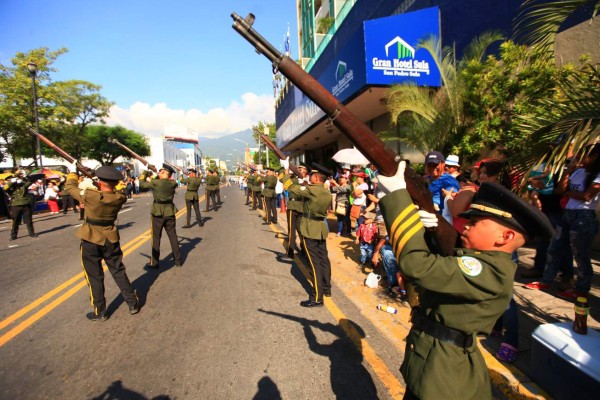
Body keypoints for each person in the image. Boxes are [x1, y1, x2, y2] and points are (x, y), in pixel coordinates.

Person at [376, 161, 553, 400]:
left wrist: (398, 199)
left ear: (506, 236)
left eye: (476, 221)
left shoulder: (489, 271)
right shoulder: (483, 262)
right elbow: (444, 266)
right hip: (434, 362)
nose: (466, 224)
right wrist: (430, 231)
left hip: (445, 375)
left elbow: (419, 266)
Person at [525, 144, 600, 299]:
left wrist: (567, 192)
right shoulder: (577, 171)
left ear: (594, 157)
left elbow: (587, 196)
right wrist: (568, 172)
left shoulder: (598, 175)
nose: (579, 157)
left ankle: (581, 288)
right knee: (554, 248)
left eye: (583, 154)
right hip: (567, 214)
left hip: (584, 217)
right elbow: (559, 190)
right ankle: (546, 280)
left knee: (581, 255)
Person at [64, 165, 139, 321]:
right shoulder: (120, 197)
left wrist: (72, 172)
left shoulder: (91, 196)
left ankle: (100, 311)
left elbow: (70, 187)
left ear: (100, 180)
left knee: (94, 277)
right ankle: (132, 303)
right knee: (118, 271)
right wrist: (103, 182)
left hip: (91, 239)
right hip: (110, 239)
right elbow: (118, 188)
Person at [281, 158, 332, 306]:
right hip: (321, 228)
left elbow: (289, 187)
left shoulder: (312, 190)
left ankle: (317, 297)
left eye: (312, 175)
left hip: (310, 228)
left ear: (316, 178)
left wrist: (286, 171)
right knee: (324, 260)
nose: (309, 176)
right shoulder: (325, 191)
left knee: (314, 263)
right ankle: (327, 289)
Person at [140, 164, 183, 268]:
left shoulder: (155, 182)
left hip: (157, 213)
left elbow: (142, 184)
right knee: (173, 236)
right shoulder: (172, 183)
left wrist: (146, 171)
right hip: (169, 211)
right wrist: (156, 173)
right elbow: (172, 180)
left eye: (160, 171)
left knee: (156, 238)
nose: (158, 172)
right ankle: (178, 261)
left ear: (164, 172)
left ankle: (155, 262)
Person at [285, 163, 309, 258]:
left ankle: (303, 250)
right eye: (298, 170)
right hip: (294, 205)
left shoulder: (307, 182)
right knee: (292, 231)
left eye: (301, 171)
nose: (299, 172)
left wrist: (302, 181)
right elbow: (282, 180)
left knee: (301, 230)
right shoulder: (294, 179)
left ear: (305, 173)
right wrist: (288, 170)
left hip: (299, 207)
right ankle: (292, 252)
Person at [5, 171, 37, 240]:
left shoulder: (23, 185)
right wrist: (11, 182)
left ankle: (31, 233)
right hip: (15, 205)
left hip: (26, 203)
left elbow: (30, 182)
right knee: (15, 221)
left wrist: (27, 177)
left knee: (29, 220)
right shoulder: (10, 187)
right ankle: (13, 235)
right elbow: (5, 188)